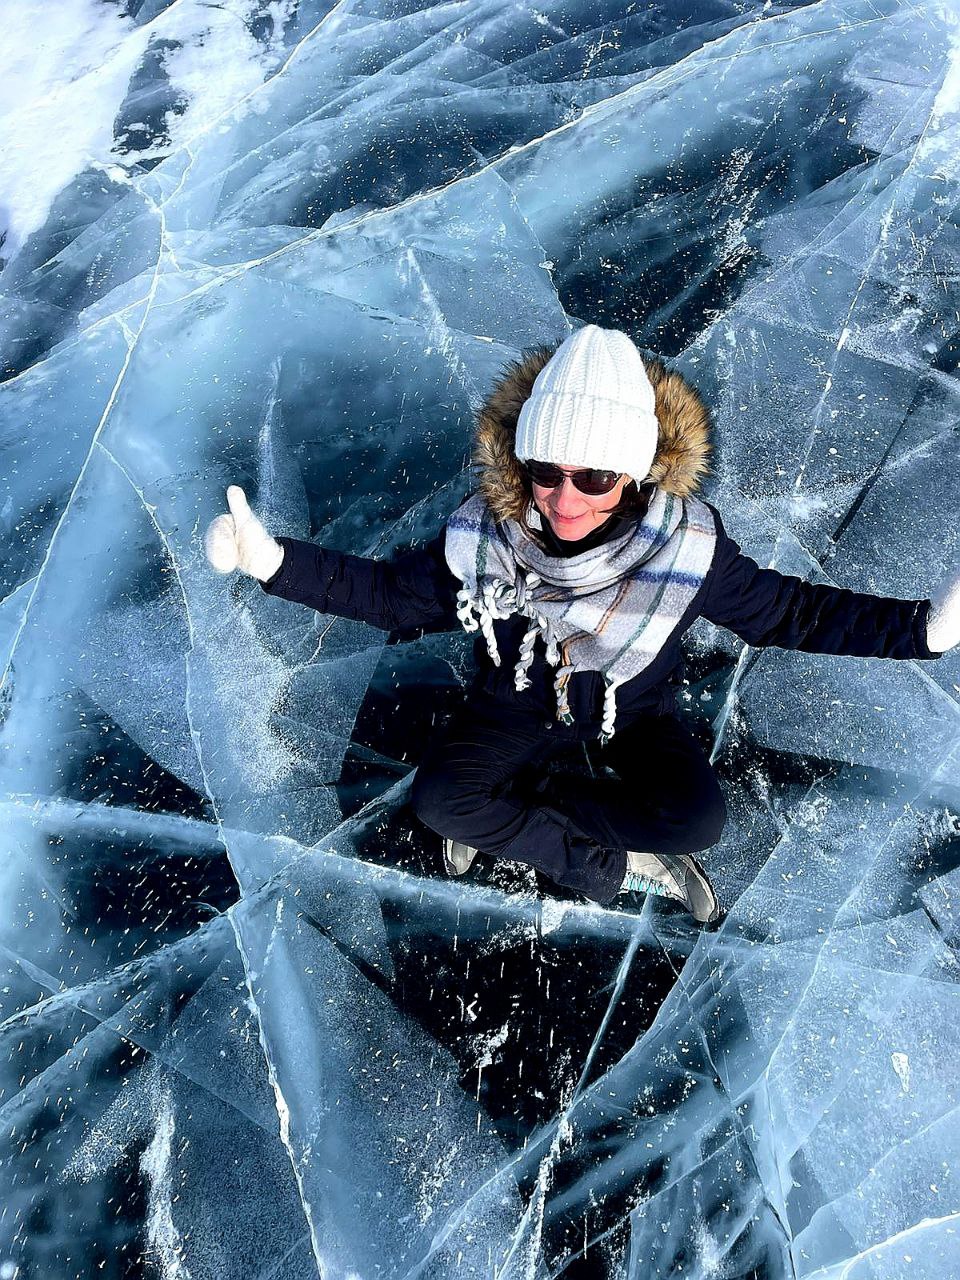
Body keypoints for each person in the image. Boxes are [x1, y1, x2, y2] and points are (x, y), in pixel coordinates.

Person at [205, 325, 959, 926]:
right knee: (440, 802)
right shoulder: (486, 537)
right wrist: (272, 562)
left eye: (595, 477)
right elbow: (390, 597)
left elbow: (793, 611)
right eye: (547, 469)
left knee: (697, 819)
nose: (566, 500)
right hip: (516, 700)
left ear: (632, 475)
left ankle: (522, 809)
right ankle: (615, 862)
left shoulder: (686, 551)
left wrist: (923, 631)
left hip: (632, 708)